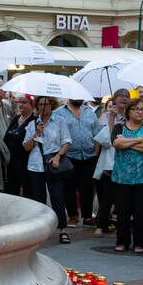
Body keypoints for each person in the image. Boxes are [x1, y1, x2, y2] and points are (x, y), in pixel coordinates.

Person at [111, 97, 143, 254]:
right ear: (128, 111)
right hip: (121, 177)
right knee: (123, 212)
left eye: (142, 109)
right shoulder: (119, 127)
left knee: (141, 212)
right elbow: (116, 144)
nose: (140, 112)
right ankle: (122, 241)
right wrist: (139, 139)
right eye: (136, 109)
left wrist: (127, 142)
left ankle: (140, 243)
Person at [24, 97, 72, 244]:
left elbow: (67, 142)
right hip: (35, 165)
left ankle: (63, 229)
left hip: (52, 164)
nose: (43, 107)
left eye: (46, 104)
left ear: (52, 105)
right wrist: (36, 134)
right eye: (40, 104)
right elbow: (26, 147)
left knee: (57, 197)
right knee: (39, 199)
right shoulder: (32, 123)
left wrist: (58, 157)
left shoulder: (59, 121)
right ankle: (41, 230)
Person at [53, 93, 98, 228]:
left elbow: (96, 133)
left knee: (88, 187)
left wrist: (96, 151)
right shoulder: (59, 113)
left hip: (88, 155)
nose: (79, 97)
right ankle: (73, 216)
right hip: (69, 155)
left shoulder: (89, 112)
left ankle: (87, 216)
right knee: (69, 187)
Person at [93, 90, 128, 235]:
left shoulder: (131, 116)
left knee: (124, 196)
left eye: (127, 96)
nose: (124, 99)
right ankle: (101, 225)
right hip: (111, 162)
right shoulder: (106, 116)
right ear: (115, 99)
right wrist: (112, 118)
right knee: (107, 195)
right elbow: (107, 141)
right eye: (121, 96)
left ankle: (121, 224)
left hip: (126, 161)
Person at [3, 96, 35, 198]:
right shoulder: (16, 119)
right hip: (11, 164)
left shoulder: (34, 121)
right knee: (11, 194)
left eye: (24, 102)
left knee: (26, 194)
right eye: (20, 102)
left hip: (26, 165)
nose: (20, 105)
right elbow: (6, 137)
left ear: (32, 105)